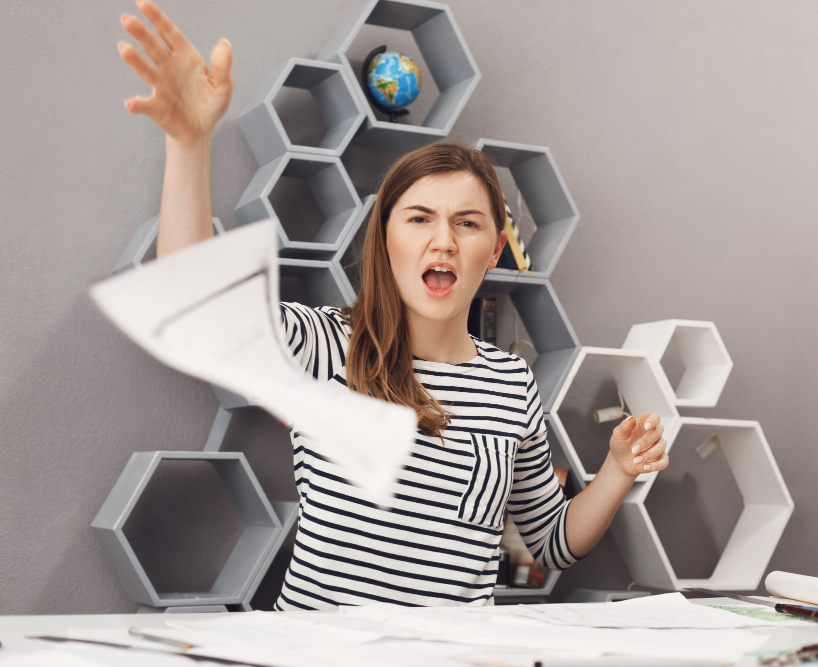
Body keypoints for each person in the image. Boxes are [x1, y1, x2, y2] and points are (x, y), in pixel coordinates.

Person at [117, 0, 670, 608]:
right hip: (319, 648)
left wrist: (618, 469)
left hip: (455, 651)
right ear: (386, 241)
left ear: (494, 251)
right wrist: (189, 143)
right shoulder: (325, 345)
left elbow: (552, 543)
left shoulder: (513, 383)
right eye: (419, 218)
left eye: (467, 223)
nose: (443, 240)